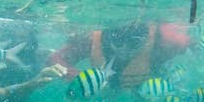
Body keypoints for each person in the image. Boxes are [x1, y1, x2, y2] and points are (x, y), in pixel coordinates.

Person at [48, 21, 192, 90]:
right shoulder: (91, 40)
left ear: (147, 40)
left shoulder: (167, 40)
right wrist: (82, 80)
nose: (123, 52)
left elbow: (192, 41)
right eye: (117, 44)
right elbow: (55, 59)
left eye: (133, 45)